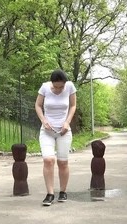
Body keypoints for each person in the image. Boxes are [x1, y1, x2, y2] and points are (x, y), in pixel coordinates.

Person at [35, 69, 77, 206]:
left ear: (65, 84)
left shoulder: (70, 86)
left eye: (61, 87)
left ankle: (63, 191)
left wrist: (67, 122)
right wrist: (43, 120)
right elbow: (38, 105)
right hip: (47, 130)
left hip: (64, 131)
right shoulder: (44, 87)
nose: (59, 90)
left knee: (62, 162)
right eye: (56, 86)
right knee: (48, 160)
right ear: (51, 83)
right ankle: (50, 193)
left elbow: (73, 106)